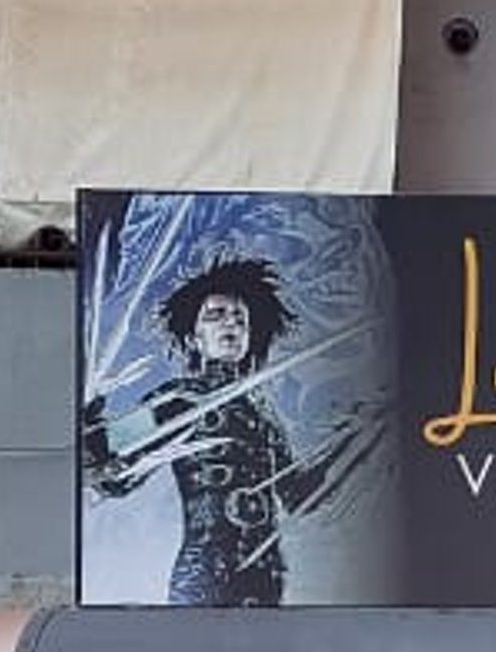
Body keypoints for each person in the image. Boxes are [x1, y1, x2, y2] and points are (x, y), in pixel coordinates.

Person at [83, 259, 375, 610]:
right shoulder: (180, 399)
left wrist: (354, 440)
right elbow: (116, 469)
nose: (231, 324)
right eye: (216, 315)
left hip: (266, 574)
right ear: (194, 338)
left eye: (240, 318)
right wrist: (92, 435)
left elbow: (299, 495)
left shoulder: (263, 413)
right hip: (207, 571)